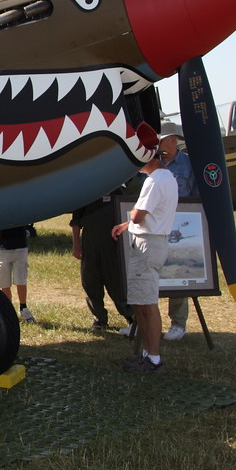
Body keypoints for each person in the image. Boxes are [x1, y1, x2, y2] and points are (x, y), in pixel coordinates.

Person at [111, 132, 178, 373]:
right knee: (142, 302)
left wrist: (130, 216)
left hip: (147, 246)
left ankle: (153, 358)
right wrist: (127, 224)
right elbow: (152, 214)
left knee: (147, 305)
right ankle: (148, 354)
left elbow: (139, 215)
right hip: (154, 242)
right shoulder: (167, 178)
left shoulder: (154, 181)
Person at [69, 185, 134, 332]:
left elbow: (127, 215)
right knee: (90, 281)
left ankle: (130, 316)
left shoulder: (118, 191)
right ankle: (99, 318)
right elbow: (76, 221)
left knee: (116, 282)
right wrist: (76, 245)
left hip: (113, 244)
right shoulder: (88, 191)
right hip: (90, 241)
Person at [159, 124, 198, 342]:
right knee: (149, 273)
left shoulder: (188, 163)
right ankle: (141, 321)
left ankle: (178, 324)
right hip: (155, 225)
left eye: (163, 140)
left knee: (177, 272)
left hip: (179, 225)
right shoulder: (152, 162)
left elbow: (196, 194)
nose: (158, 144)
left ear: (173, 140)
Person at [0, 224, 36, 323]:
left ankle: (23, 308)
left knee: (21, 279)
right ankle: (8, 311)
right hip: (2, 249)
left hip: (20, 247)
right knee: (3, 282)